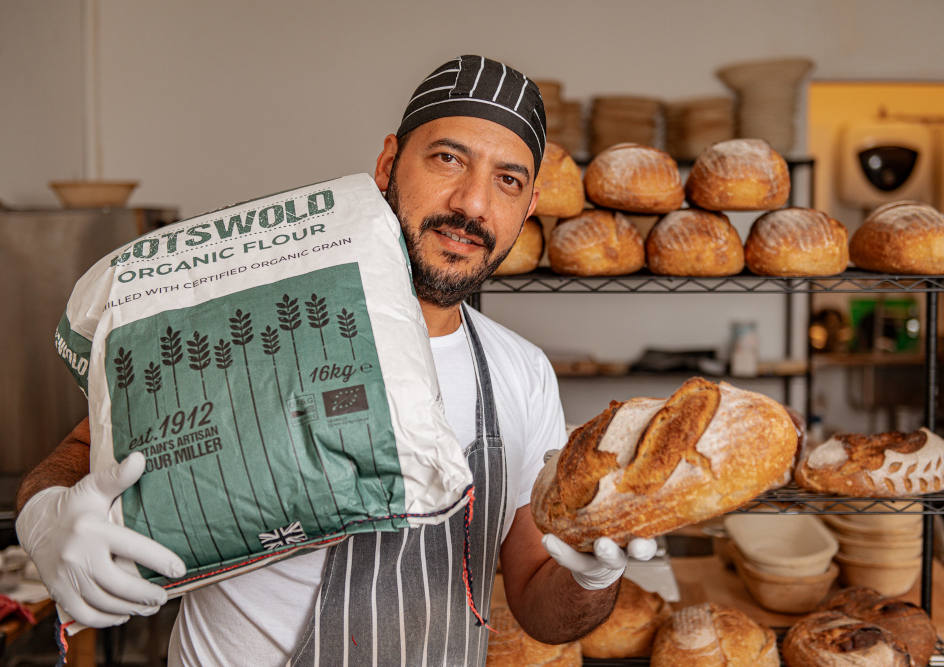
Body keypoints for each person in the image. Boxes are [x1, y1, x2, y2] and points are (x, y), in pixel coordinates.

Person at [15, 55, 656, 666]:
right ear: (387, 164)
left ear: (528, 207)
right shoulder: (268, 322)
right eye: (447, 159)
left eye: (507, 180)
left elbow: (541, 606)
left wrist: (594, 575)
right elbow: (80, 450)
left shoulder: (521, 374)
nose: (472, 203)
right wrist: (41, 517)